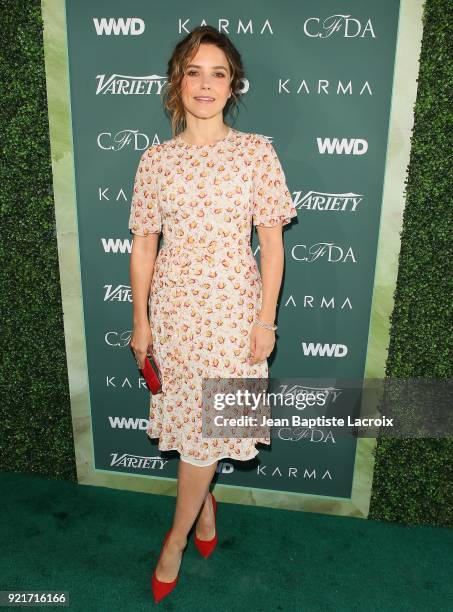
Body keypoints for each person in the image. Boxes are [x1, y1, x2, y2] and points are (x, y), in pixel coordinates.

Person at [128, 25, 297, 604]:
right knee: (195, 431)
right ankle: (203, 509)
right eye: (194, 71)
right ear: (178, 80)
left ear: (233, 85)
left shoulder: (257, 153)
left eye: (218, 72)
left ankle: (174, 539)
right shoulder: (156, 160)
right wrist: (141, 321)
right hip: (175, 314)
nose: (206, 83)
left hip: (234, 312)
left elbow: (271, 245)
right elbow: (144, 245)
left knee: (210, 431)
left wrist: (265, 320)